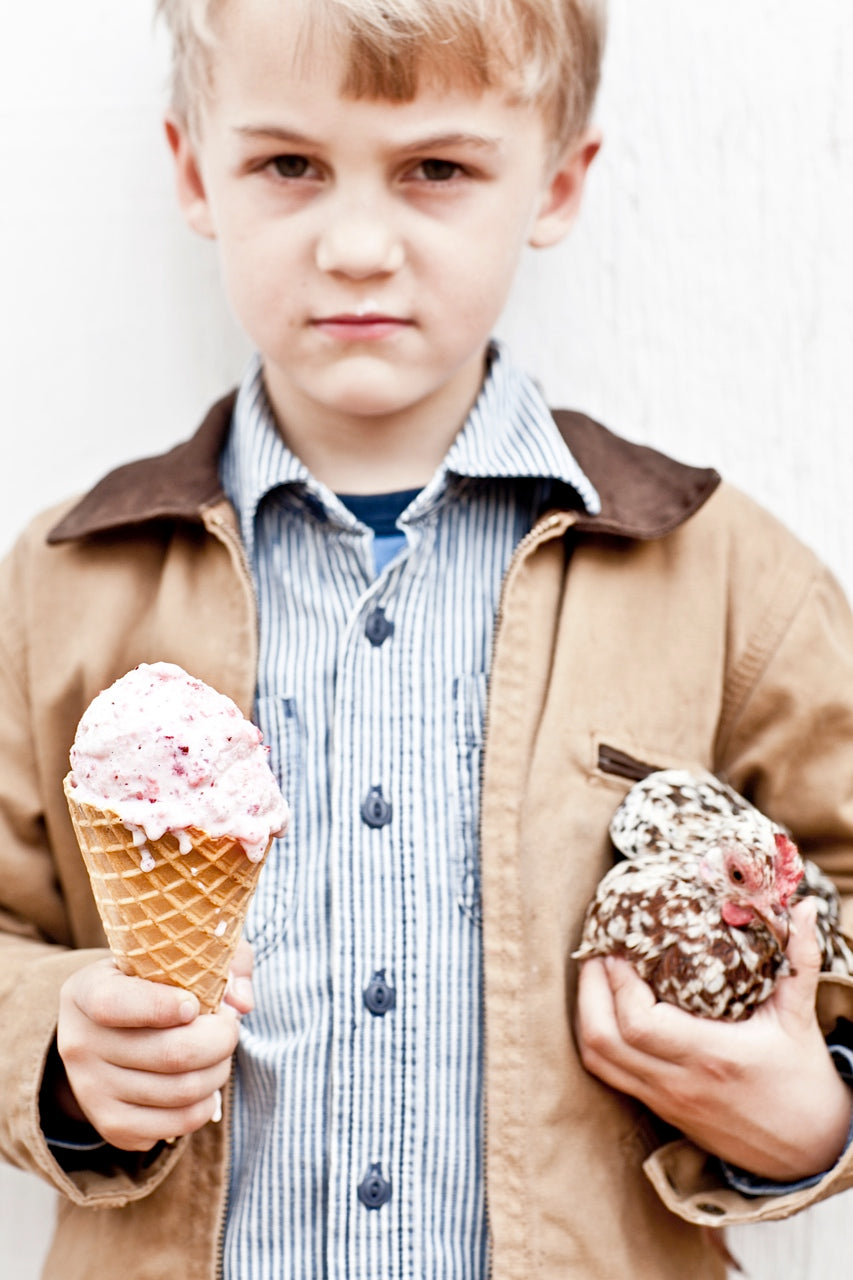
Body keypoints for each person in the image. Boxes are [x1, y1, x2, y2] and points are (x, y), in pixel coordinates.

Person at [1, 1, 853, 1276]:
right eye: (288, 164)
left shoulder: (727, 577)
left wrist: (811, 1112)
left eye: (436, 170)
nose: (354, 245)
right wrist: (54, 1049)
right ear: (194, 169)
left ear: (557, 180)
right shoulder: (65, 581)